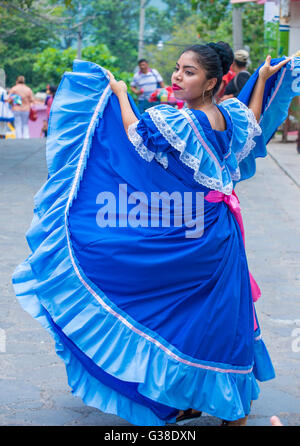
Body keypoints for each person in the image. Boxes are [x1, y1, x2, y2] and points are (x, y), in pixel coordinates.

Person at [12, 44, 299, 427]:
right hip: (221, 234)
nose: (178, 77)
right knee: (217, 318)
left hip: (198, 236)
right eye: (178, 69)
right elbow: (255, 115)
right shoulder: (229, 116)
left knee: (189, 313)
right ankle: (216, 404)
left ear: (211, 81)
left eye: (189, 72)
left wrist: (118, 95)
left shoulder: (183, 121)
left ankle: (227, 409)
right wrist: (261, 80)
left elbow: (135, 134)